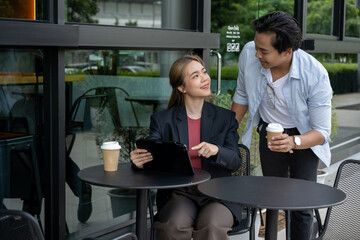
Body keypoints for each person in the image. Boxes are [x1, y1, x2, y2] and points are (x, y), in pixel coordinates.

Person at [231, 11, 333, 240]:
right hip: (270, 131)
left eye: (264, 51)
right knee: (272, 196)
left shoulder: (315, 74)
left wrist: (293, 141)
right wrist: (228, 132)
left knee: (301, 202)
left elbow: (322, 132)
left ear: (287, 51)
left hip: (303, 137)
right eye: (256, 46)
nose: (256, 54)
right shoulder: (250, 53)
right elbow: (242, 94)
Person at [130, 55, 242, 240]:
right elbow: (152, 153)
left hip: (218, 192)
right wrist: (139, 161)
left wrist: (217, 150)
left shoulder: (226, 118)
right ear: (181, 87)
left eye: (204, 72)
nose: (205, 78)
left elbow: (236, 161)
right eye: (196, 75)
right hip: (180, 192)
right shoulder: (163, 120)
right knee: (173, 226)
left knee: (212, 226)